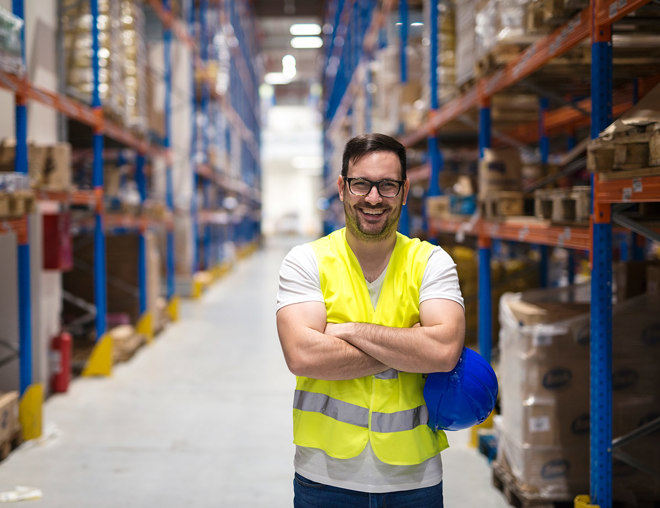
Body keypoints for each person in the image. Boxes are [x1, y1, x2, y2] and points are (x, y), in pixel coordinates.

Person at [276, 133, 465, 507]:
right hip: (324, 480)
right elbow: (302, 355)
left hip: (414, 480)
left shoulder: (431, 262)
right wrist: (410, 345)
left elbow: (443, 352)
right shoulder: (305, 262)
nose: (374, 198)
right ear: (342, 188)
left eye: (388, 186)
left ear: (405, 191)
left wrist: (344, 332)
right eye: (361, 183)